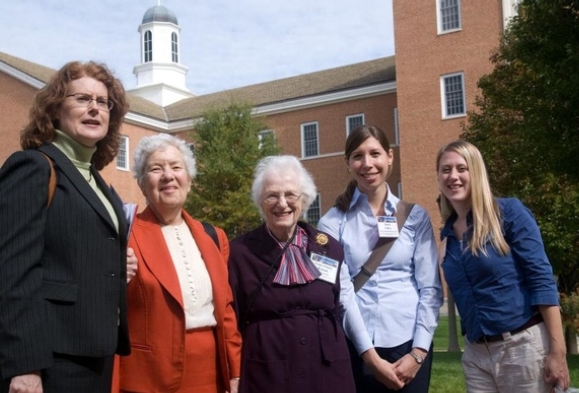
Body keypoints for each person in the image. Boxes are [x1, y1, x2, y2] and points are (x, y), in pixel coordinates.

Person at [0, 60, 132, 392]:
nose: (94, 108)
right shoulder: (33, 168)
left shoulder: (99, 184)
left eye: (102, 102)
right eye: (82, 99)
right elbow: (12, 274)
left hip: (95, 354)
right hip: (48, 358)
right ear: (55, 110)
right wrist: (25, 366)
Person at [436, 140, 570, 392]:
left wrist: (558, 351)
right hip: (476, 355)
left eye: (461, 168)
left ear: (476, 171)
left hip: (522, 349)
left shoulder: (509, 214)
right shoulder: (447, 238)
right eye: (445, 170)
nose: (453, 176)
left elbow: (541, 279)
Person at [318, 125, 443, 392]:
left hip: (410, 344)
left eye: (375, 153)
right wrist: (371, 359)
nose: (367, 164)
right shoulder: (331, 222)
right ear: (348, 164)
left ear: (390, 157)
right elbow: (340, 293)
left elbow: (430, 289)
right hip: (357, 348)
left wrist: (418, 353)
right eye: (358, 156)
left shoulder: (415, 217)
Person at [115, 134, 241, 393]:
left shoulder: (213, 236)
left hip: (210, 374)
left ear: (190, 180)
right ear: (141, 183)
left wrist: (235, 370)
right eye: (155, 168)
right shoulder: (124, 235)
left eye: (176, 167)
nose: (168, 176)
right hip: (149, 379)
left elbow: (226, 311)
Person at [228, 155, 356, 393]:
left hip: (326, 371)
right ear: (260, 201)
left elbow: (338, 304)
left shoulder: (329, 247)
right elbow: (231, 322)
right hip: (267, 373)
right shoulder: (239, 253)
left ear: (304, 199)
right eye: (272, 195)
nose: (282, 203)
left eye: (290, 194)